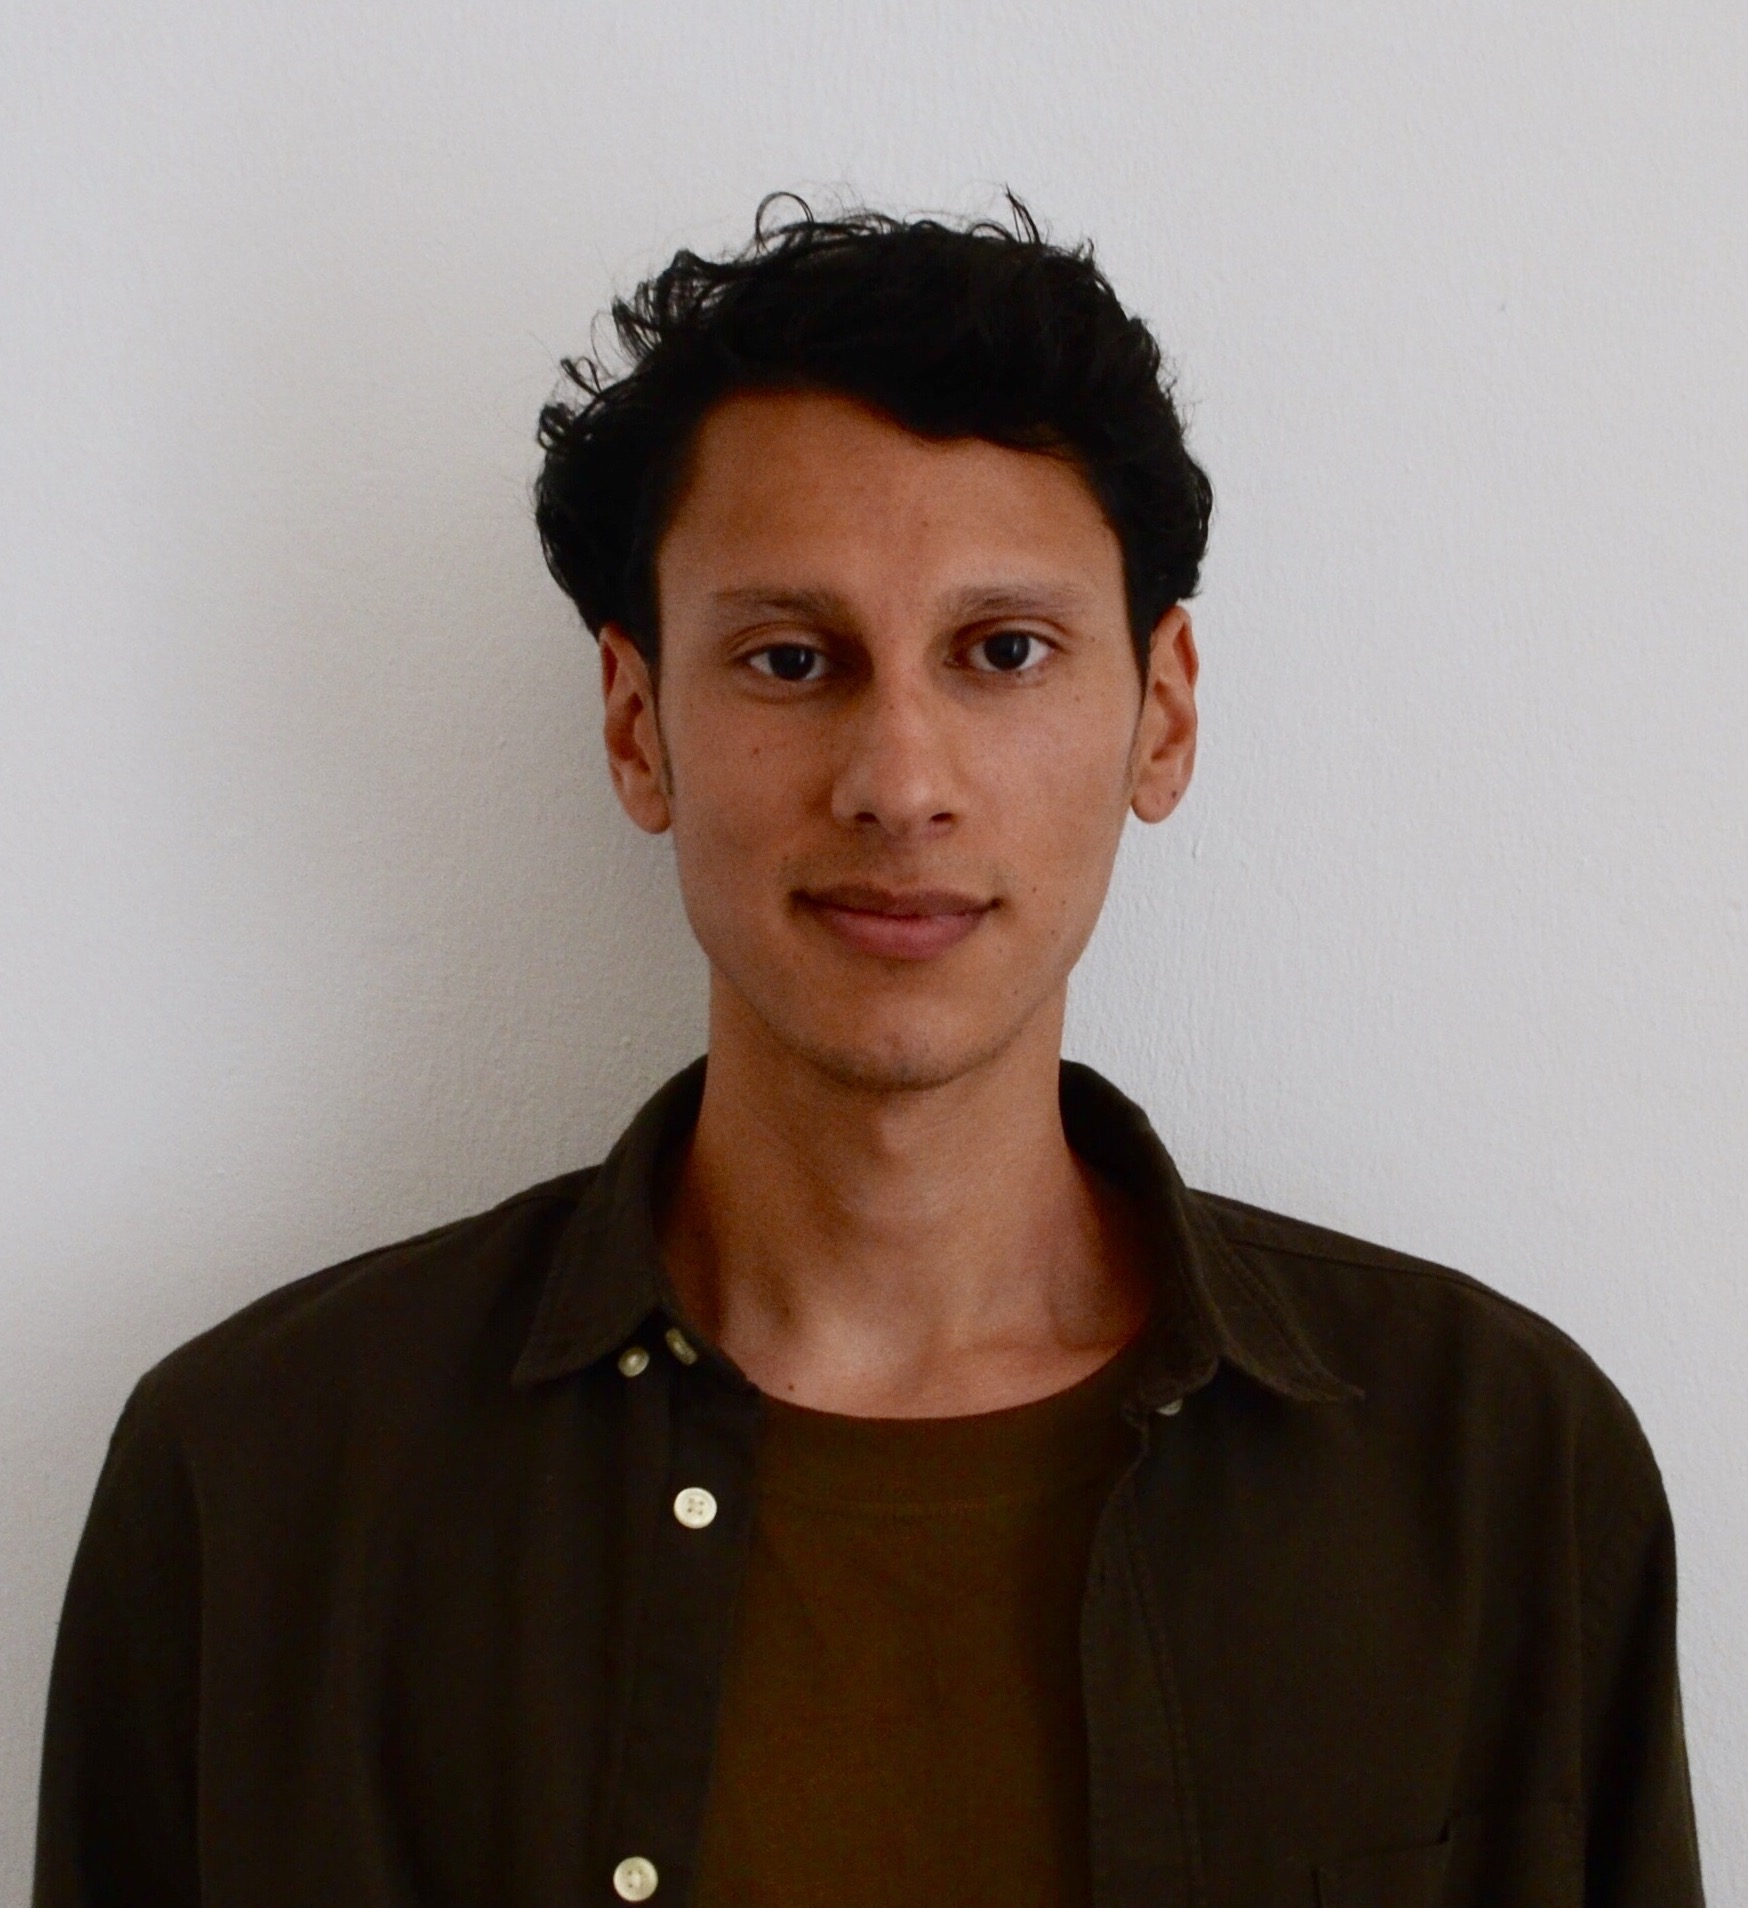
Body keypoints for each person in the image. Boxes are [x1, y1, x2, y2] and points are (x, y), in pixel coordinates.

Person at [34, 199, 1703, 1908]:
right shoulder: (255, 1491)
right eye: (789, 659)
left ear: (1164, 711)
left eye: (1004, 652)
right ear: (638, 726)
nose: (900, 782)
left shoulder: (1503, 1477)